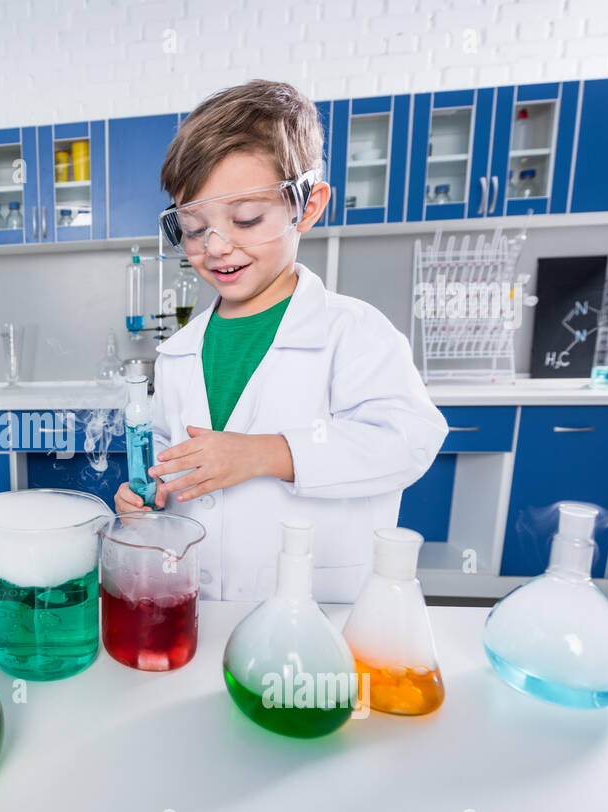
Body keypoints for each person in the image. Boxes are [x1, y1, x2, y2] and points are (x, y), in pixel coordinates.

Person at [114, 80, 448, 603]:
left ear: (307, 206)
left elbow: (410, 440)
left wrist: (268, 454)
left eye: (247, 219)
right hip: (201, 607)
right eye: (195, 228)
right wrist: (147, 491)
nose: (217, 247)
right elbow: (165, 453)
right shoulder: (180, 352)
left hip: (320, 611)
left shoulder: (353, 332)